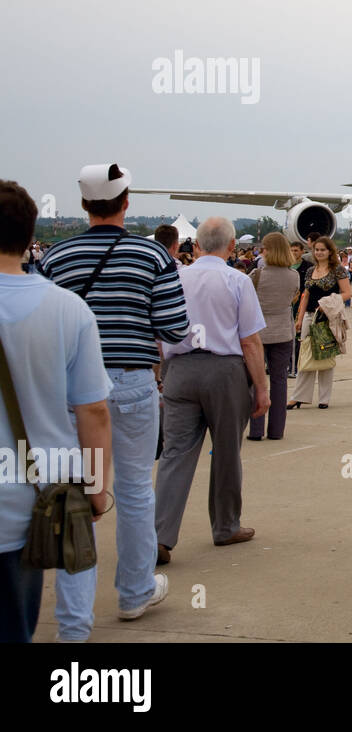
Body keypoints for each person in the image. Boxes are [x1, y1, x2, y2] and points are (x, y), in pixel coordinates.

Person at [37, 164, 188, 638]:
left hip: (68, 391)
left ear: (84, 206)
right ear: (126, 202)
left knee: (73, 497)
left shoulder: (56, 258)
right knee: (135, 490)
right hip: (130, 384)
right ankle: (135, 591)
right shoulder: (150, 256)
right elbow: (176, 328)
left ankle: (75, 611)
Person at [0, 181, 115, 642]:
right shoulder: (68, 310)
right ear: (32, 237)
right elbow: (93, 412)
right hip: (28, 497)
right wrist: (95, 488)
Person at [155, 217, 270, 563]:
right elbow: (250, 341)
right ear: (232, 246)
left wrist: (165, 373)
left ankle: (160, 535)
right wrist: (262, 388)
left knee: (175, 454)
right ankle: (225, 525)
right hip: (224, 370)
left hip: (180, 369)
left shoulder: (175, 278)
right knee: (225, 451)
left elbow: (160, 334)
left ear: (197, 244)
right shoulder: (237, 280)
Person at [290, 236, 352, 410]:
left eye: (322, 250)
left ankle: (324, 398)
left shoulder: (337, 270)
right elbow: (306, 295)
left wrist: (328, 303)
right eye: (316, 249)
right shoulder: (311, 271)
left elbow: (347, 293)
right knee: (306, 356)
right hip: (310, 316)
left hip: (328, 318)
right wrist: (300, 318)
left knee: (326, 357)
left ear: (329, 251)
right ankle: (299, 396)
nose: (318, 252)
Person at [249, 232, 299, 440]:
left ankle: (256, 429)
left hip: (259, 333)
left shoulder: (257, 275)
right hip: (283, 332)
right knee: (280, 381)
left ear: (268, 251)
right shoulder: (293, 276)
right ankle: (277, 430)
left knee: (257, 382)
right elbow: (293, 297)